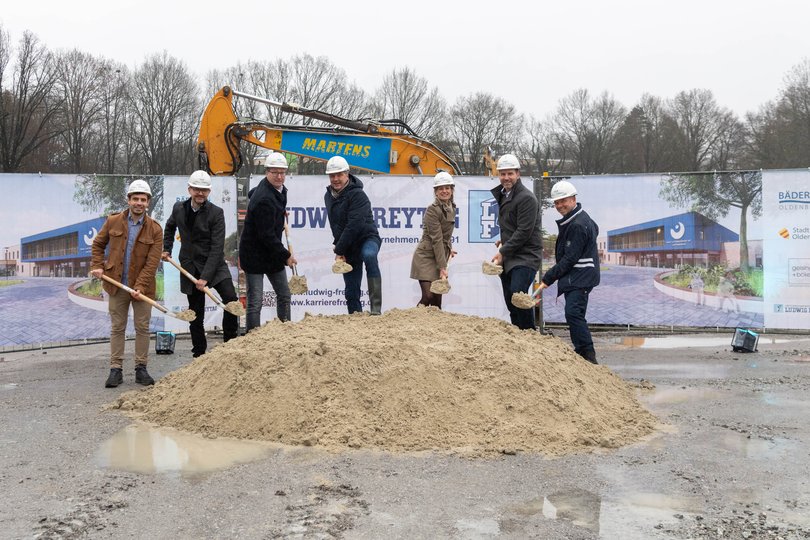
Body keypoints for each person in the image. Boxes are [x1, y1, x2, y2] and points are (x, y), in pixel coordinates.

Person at [91, 179, 163, 387]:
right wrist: (98, 265)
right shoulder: (113, 221)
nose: (139, 203)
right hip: (116, 284)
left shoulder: (155, 230)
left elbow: (152, 263)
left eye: (143, 199)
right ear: (128, 200)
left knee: (142, 328)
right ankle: (116, 369)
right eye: (135, 199)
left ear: (148, 202)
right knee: (117, 327)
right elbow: (98, 244)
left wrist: (139, 286)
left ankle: (141, 368)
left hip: (143, 289)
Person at [162, 170, 238, 357]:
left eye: (204, 190)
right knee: (196, 313)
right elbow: (170, 226)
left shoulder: (216, 214)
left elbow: (216, 248)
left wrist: (204, 278)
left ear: (209, 191)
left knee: (231, 301)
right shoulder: (178, 208)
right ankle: (199, 353)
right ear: (190, 189)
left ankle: (230, 346)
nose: (200, 193)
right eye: (197, 189)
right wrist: (167, 248)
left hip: (214, 265)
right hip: (190, 266)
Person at [537, 180, 600, 364]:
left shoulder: (578, 224)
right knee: (574, 313)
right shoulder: (579, 219)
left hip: (581, 277)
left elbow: (569, 259)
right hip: (579, 276)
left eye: (563, 201)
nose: (560, 205)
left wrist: (547, 278)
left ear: (573, 199)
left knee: (573, 313)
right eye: (556, 202)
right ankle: (582, 352)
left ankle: (587, 356)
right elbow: (595, 229)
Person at [239, 152, 297, 331]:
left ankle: (284, 332)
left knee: (284, 294)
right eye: (275, 172)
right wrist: (286, 256)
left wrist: (278, 213)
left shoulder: (274, 190)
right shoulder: (264, 198)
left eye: (282, 172)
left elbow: (251, 193)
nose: (279, 176)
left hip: (270, 254)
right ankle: (253, 338)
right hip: (255, 253)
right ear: (267, 172)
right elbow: (267, 236)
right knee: (256, 300)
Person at [323, 155, 382, 315]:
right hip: (348, 245)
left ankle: (376, 311)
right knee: (351, 289)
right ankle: (355, 316)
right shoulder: (328, 196)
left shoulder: (358, 195)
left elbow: (354, 226)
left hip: (366, 238)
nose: (336, 179)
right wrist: (340, 245)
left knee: (369, 255)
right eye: (332, 175)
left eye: (339, 175)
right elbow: (336, 225)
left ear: (347, 174)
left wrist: (339, 250)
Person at [490, 153, 542, 330]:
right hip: (511, 255)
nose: (506, 178)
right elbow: (512, 227)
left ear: (518, 174)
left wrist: (502, 252)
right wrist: (503, 241)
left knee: (518, 296)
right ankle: (519, 338)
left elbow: (524, 232)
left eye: (510, 173)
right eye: (502, 174)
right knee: (510, 302)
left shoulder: (526, 198)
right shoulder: (504, 195)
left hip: (526, 257)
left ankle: (530, 336)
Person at [410, 171, 457, 308]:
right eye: (441, 188)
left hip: (440, 255)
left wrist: (449, 248)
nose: (444, 191)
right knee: (428, 296)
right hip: (425, 257)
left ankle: (435, 329)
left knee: (437, 302)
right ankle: (413, 321)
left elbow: (446, 235)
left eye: (447, 188)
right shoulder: (432, 210)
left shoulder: (451, 207)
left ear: (452, 190)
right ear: (435, 192)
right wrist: (443, 267)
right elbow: (436, 239)